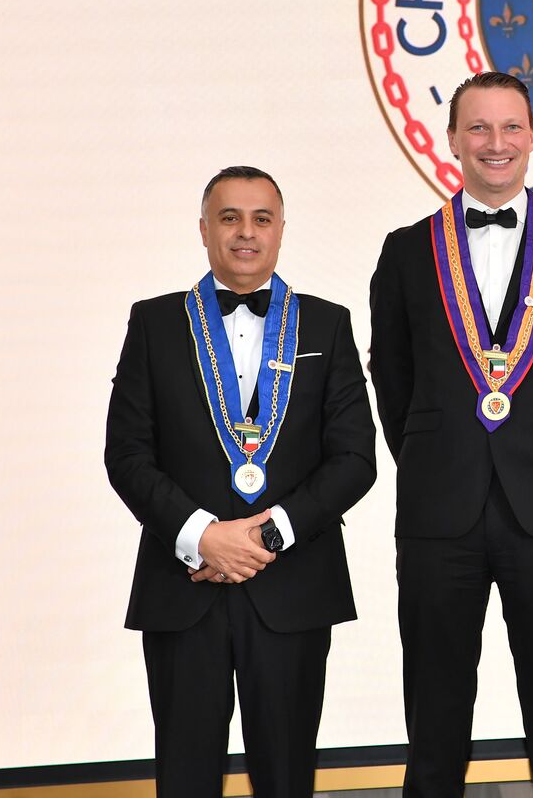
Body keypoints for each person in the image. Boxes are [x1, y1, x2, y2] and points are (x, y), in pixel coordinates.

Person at [369, 71, 533, 798]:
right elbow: (393, 382)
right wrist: (437, 459)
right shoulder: (406, 251)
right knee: (434, 725)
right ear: (451, 140)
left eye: (511, 127)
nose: (495, 142)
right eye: (478, 127)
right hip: (438, 515)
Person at [105, 166, 376, 797]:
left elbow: (354, 458)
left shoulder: (327, 324)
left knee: (286, 779)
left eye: (261, 219)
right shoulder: (154, 324)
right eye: (229, 218)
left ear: (281, 230)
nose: (245, 233)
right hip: (183, 588)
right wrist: (203, 536)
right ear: (204, 230)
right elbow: (127, 455)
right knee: (185, 778)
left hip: (292, 587)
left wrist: (265, 537)